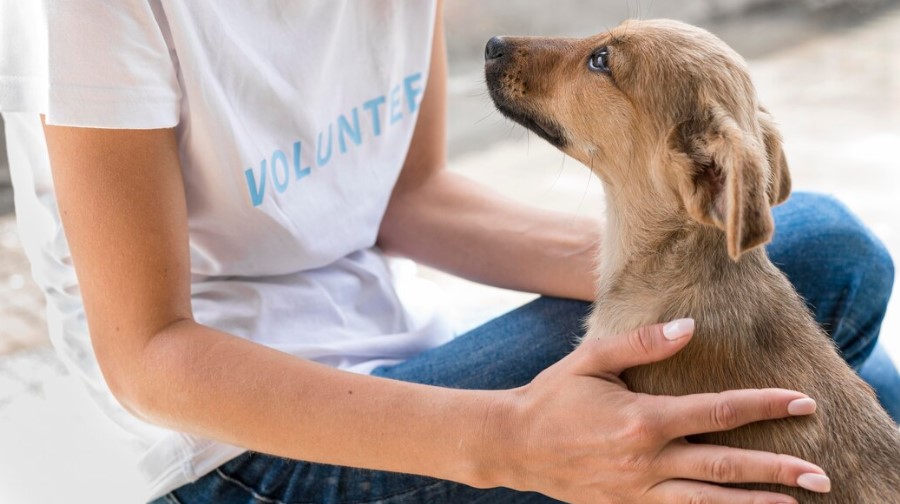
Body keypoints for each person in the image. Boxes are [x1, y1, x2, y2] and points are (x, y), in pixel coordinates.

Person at [0, 1, 896, 503]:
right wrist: (517, 441)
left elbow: (408, 195)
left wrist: (660, 255)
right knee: (823, 264)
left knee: (837, 333)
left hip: (408, 360)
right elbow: (147, 356)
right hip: (232, 452)